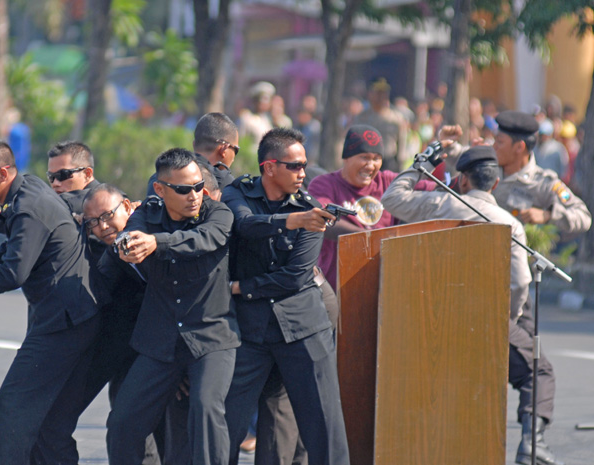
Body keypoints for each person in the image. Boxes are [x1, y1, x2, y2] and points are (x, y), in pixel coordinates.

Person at [381, 145, 564, 465]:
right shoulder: (508, 223)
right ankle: (532, 444)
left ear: (463, 180)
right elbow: (520, 282)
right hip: (484, 320)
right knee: (539, 370)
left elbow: (392, 198)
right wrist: (507, 318)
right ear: (494, 184)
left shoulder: (437, 203)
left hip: (429, 317)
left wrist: (421, 164)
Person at [0, 138, 100, 464]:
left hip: (63, 322)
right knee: (47, 426)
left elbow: (14, 273)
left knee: (14, 402)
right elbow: (10, 247)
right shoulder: (26, 191)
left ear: (2, 173)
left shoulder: (27, 206)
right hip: (64, 316)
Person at [221, 128, 350, 465]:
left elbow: (293, 278)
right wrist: (291, 221)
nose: (303, 173)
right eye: (294, 166)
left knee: (324, 426)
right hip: (250, 331)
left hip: (303, 327)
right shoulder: (239, 193)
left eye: (304, 165)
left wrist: (241, 288)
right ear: (269, 167)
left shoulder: (311, 207)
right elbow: (244, 225)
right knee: (224, 423)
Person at [107, 148, 241, 465]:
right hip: (161, 341)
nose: (194, 195)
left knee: (207, 411)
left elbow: (203, 240)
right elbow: (128, 235)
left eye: (198, 186)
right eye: (183, 189)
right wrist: (125, 245)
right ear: (160, 189)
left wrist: (157, 243)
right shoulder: (147, 214)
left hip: (211, 337)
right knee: (122, 422)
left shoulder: (219, 215)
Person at [80, 184, 161, 465]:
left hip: (183, 346)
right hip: (134, 349)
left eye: (107, 216)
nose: (102, 227)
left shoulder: (159, 228)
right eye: (92, 223)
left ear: (128, 206)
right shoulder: (111, 250)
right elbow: (97, 290)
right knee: (124, 425)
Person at [307, 124, 435, 290]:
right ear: (346, 158)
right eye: (364, 157)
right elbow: (322, 218)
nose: (371, 165)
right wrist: (370, 238)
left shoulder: (388, 182)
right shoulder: (325, 184)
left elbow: (440, 189)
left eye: (376, 158)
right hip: (337, 286)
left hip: (383, 285)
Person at [491, 110, 591, 241]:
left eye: (499, 142)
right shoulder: (487, 170)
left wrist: (548, 215)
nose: (494, 146)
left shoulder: (544, 183)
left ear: (519, 147)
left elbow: (583, 216)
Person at [147, 112, 240, 196]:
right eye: (236, 150)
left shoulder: (158, 177)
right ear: (224, 149)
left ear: (194, 144)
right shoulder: (226, 183)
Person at [355, 77, 408, 172]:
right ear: (369, 94)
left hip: (388, 163)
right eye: (377, 92)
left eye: (384, 93)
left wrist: (400, 165)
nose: (381, 96)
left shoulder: (396, 118)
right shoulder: (361, 118)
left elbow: (401, 144)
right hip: (366, 163)